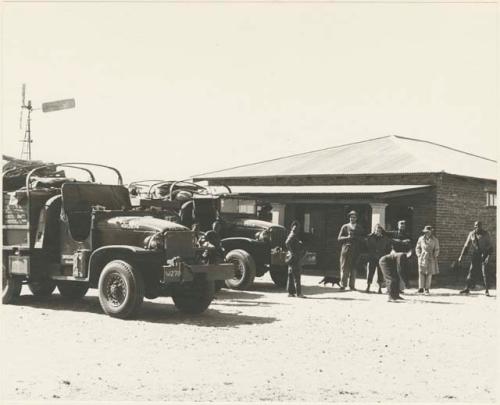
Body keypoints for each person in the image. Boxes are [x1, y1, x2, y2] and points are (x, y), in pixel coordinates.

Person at [458, 221, 493, 296]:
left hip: (484, 254)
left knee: (485, 272)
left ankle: (487, 290)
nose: (478, 227)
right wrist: (461, 256)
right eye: (476, 226)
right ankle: (467, 288)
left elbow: (490, 247)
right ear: (474, 226)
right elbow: (466, 246)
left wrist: (488, 257)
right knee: (471, 271)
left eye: (479, 226)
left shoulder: (486, 234)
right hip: (476, 255)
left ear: (481, 226)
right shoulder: (471, 234)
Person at [338, 210, 365, 291]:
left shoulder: (359, 227)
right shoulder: (345, 226)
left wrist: (356, 238)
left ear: (356, 218)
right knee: (344, 267)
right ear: (349, 218)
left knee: (354, 268)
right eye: (351, 217)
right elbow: (339, 238)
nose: (352, 219)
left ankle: (352, 285)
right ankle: (343, 284)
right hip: (346, 249)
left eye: (354, 217)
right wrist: (347, 237)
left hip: (355, 250)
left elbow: (363, 239)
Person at [387, 219, 412, 291]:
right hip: (394, 254)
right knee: (393, 271)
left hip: (403, 255)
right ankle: (391, 288)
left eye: (403, 225)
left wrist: (409, 253)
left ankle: (400, 288)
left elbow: (410, 245)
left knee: (401, 271)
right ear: (398, 226)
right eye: (401, 225)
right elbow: (386, 235)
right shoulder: (393, 233)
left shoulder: (407, 235)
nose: (402, 226)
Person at [365, 224, 392, 293]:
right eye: (377, 230)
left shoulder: (385, 239)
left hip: (381, 258)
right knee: (371, 272)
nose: (378, 232)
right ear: (374, 230)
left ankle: (379, 288)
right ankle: (368, 287)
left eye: (379, 230)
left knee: (380, 273)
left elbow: (388, 248)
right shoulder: (370, 237)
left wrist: (385, 256)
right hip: (372, 257)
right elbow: (366, 246)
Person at [415, 225, 440, 295]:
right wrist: (419, 255)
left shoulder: (435, 240)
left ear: (431, 232)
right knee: (421, 272)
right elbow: (418, 247)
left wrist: (435, 255)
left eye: (429, 232)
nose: (428, 233)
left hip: (430, 257)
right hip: (422, 257)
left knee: (429, 273)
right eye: (426, 232)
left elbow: (437, 249)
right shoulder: (421, 239)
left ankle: (427, 288)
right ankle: (420, 288)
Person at [285, 220, 306, 298]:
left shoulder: (292, 234)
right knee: (297, 275)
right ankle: (299, 293)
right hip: (294, 257)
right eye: (295, 227)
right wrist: (292, 252)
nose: (296, 229)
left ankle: (290, 292)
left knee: (291, 274)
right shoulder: (293, 235)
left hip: (292, 256)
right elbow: (287, 243)